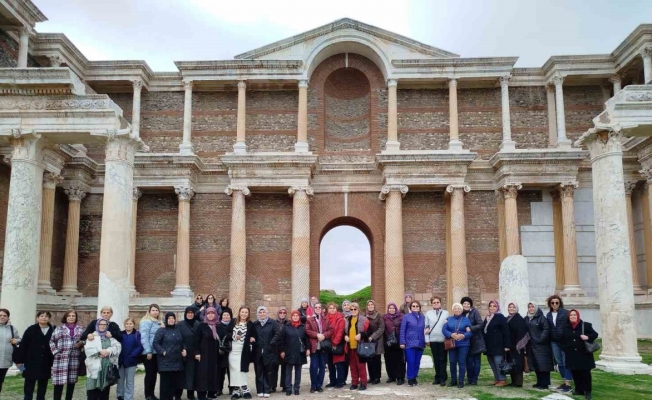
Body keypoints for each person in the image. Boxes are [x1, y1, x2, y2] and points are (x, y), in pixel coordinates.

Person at [16, 311, 54, 400]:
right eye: (41, 316)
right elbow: (23, 346)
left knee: (42, 387)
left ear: (49, 318)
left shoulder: (53, 330)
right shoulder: (31, 329)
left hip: (46, 363)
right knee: (29, 387)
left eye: (46, 316)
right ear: (37, 318)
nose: (44, 318)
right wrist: (20, 362)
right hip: (31, 362)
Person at [195, 307, 231, 400]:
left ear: (215, 314)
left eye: (212, 313)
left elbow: (226, 336)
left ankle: (211, 392)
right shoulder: (202, 326)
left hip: (215, 355)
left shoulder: (218, 326)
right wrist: (197, 353)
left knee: (213, 373)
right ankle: (202, 394)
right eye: (208, 313)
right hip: (204, 354)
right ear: (206, 315)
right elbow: (196, 340)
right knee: (203, 374)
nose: (210, 315)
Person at [562, 310, 598, 400]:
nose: (573, 316)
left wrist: (588, 337)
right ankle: (579, 389)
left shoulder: (585, 325)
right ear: (569, 317)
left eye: (574, 315)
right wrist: (565, 348)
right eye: (571, 315)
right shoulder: (566, 327)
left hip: (584, 354)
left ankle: (588, 391)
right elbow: (562, 339)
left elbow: (595, 334)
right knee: (575, 373)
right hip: (571, 355)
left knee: (585, 373)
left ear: (577, 316)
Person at [50, 310, 85, 400]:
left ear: (76, 317)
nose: (71, 317)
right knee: (58, 383)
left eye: (73, 315)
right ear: (65, 317)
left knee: (71, 383)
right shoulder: (59, 328)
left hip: (74, 358)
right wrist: (56, 352)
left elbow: (85, 340)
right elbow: (52, 341)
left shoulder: (81, 329)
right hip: (61, 358)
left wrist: (81, 342)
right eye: (69, 315)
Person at [84, 318, 121, 400]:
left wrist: (108, 351)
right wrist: (100, 352)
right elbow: (88, 349)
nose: (103, 326)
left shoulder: (109, 336)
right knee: (92, 391)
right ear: (97, 325)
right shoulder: (92, 336)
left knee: (105, 391)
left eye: (105, 324)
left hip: (106, 366)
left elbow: (117, 347)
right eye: (101, 324)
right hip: (94, 367)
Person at [153, 312, 187, 400]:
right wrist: (163, 351)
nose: (171, 320)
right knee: (165, 385)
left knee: (174, 384)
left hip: (177, 361)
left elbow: (182, 342)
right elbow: (156, 343)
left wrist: (184, 349)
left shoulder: (178, 330)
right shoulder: (161, 330)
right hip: (165, 361)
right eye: (169, 318)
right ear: (166, 320)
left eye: (173, 318)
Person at [252, 306, 282, 397]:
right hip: (258, 352)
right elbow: (252, 334)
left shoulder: (272, 323)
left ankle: (267, 389)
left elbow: (278, 333)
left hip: (269, 351)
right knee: (259, 371)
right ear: (258, 314)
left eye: (263, 312)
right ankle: (260, 390)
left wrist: (271, 343)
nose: (262, 314)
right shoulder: (255, 324)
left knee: (269, 371)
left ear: (266, 313)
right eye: (260, 312)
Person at [442, 303, 472, 389]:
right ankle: (453, 380)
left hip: (463, 344)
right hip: (452, 343)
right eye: (455, 308)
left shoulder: (466, 320)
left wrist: (464, 335)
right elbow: (444, 329)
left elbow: (470, 332)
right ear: (452, 310)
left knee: (461, 362)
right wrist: (451, 334)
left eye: (458, 308)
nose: (457, 310)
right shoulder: (448, 319)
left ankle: (461, 381)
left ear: (461, 310)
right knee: (452, 362)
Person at [546, 294, 572, 393]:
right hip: (554, 341)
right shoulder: (548, 315)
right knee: (559, 362)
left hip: (564, 341)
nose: (555, 304)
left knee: (566, 362)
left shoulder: (566, 313)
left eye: (557, 302)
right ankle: (564, 381)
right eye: (552, 303)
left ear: (560, 303)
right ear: (550, 304)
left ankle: (568, 384)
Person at [279, 310, 309, 396]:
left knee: (298, 371)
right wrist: (282, 350)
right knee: (288, 371)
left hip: (299, 352)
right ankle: (288, 388)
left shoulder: (303, 327)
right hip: (289, 352)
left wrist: (308, 349)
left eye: (297, 315)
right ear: (291, 317)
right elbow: (282, 340)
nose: (295, 317)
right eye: (294, 315)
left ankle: (296, 388)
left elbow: (306, 339)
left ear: (299, 317)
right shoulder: (286, 327)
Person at [525, 301, 553, 390]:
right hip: (531, 345)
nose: (531, 309)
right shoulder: (526, 318)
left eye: (532, 307)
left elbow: (546, 329)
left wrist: (540, 339)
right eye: (529, 307)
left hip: (541, 345)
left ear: (536, 308)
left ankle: (545, 383)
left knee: (543, 365)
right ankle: (539, 382)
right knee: (536, 364)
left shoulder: (541, 318)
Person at [482, 300, 511, 387]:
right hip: (489, 344)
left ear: (497, 307)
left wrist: (507, 345)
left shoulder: (500, 317)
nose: (492, 307)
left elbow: (506, 331)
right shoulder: (488, 317)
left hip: (498, 344)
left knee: (498, 362)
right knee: (492, 362)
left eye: (494, 306)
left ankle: (502, 380)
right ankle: (497, 379)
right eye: (490, 306)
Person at [229, 306, 255, 400]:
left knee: (242, 369)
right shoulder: (233, 322)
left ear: (248, 314)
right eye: (242, 312)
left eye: (246, 312)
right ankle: (236, 390)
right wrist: (233, 336)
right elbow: (226, 333)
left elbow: (253, 335)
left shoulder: (250, 324)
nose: (244, 314)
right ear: (239, 312)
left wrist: (252, 338)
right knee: (234, 370)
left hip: (243, 350)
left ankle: (244, 389)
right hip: (233, 350)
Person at [306, 303, 333, 393]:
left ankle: (319, 385)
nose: (317, 309)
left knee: (322, 366)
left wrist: (324, 335)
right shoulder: (310, 319)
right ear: (314, 309)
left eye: (319, 307)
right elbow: (307, 330)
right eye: (316, 307)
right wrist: (317, 334)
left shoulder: (326, 319)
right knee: (314, 366)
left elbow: (331, 330)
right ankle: (313, 385)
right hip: (314, 345)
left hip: (324, 345)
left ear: (322, 309)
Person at [344, 302, 370, 391]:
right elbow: (345, 332)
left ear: (358, 310)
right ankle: (354, 382)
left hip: (360, 346)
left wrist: (362, 335)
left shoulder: (364, 319)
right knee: (352, 366)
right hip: (350, 346)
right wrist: (345, 336)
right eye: (351, 309)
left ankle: (363, 382)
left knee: (361, 366)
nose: (353, 311)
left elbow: (369, 331)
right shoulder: (348, 319)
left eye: (355, 309)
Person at [140, 303, 164, 400]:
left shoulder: (159, 322)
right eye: (153, 310)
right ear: (149, 311)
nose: (155, 312)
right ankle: (148, 395)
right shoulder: (146, 322)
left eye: (156, 310)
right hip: (149, 352)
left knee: (154, 374)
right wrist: (148, 351)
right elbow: (144, 337)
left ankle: (152, 394)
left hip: (156, 352)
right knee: (149, 374)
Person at [400, 300, 426, 387]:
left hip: (420, 343)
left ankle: (415, 376)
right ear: (410, 308)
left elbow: (426, 328)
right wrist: (402, 342)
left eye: (417, 306)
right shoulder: (406, 317)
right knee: (411, 361)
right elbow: (402, 330)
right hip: (409, 343)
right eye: (413, 306)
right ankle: (410, 378)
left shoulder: (422, 317)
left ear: (419, 308)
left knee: (417, 362)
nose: (415, 307)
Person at [117, 317, 143, 400]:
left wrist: (132, 355)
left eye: (130, 324)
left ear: (133, 325)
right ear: (124, 325)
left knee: (130, 381)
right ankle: (120, 395)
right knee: (120, 380)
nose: (128, 325)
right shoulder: (120, 334)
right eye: (127, 324)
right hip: (121, 360)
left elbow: (140, 346)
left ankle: (128, 397)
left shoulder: (137, 334)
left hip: (131, 360)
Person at [461, 296, 485, 386]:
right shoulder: (461, 313)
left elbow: (480, 324)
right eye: (464, 304)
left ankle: (475, 379)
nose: (466, 305)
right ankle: (469, 378)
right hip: (466, 341)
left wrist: (471, 328)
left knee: (476, 361)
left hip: (476, 340)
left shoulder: (475, 312)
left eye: (468, 304)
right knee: (469, 361)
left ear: (470, 305)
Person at [425, 296, 449, 386]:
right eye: (434, 302)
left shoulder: (446, 313)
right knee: (436, 359)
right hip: (433, 339)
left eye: (437, 302)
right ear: (432, 304)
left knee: (443, 359)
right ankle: (437, 377)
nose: (436, 304)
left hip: (442, 339)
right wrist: (427, 339)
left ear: (440, 303)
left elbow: (447, 325)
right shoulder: (428, 313)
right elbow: (426, 327)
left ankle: (443, 378)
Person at [177, 307, 200, 400]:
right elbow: (178, 338)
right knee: (181, 375)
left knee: (192, 375)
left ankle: (190, 394)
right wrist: (183, 348)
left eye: (192, 313)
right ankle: (177, 394)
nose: (190, 314)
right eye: (188, 313)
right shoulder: (180, 325)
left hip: (193, 353)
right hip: (183, 353)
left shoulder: (197, 324)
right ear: (185, 314)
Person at [506, 302, 529, 387]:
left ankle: (518, 382)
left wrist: (517, 345)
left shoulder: (518, 319)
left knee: (518, 363)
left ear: (516, 308)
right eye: (510, 307)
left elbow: (521, 333)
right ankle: (513, 381)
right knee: (512, 363)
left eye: (513, 307)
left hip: (517, 346)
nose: (511, 309)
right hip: (510, 345)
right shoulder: (508, 318)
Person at [383, 302, 405, 385]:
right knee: (389, 360)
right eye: (390, 308)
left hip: (398, 341)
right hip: (388, 341)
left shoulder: (401, 317)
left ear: (395, 309)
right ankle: (391, 376)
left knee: (399, 360)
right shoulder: (385, 317)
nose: (391, 309)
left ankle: (400, 377)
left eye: (393, 308)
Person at [325, 302, 346, 388]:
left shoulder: (340, 319)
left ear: (336, 309)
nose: (332, 309)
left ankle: (340, 381)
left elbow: (340, 332)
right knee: (330, 364)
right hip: (328, 344)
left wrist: (335, 343)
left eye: (334, 308)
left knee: (339, 364)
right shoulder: (325, 318)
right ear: (328, 310)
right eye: (330, 308)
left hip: (338, 343)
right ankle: (332, 381)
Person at [363, 300, 384, 385]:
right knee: (369, 359)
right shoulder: (365, 316)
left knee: (376, 360)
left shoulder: (379, 316)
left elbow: (381, 328)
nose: (370, 306)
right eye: (369, 304)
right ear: (367, 306)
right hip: (368, 340)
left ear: (374, 306)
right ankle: (371, 377)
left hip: (377, 340)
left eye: (372, 304)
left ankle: (377, 377)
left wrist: (373, 336)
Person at [0, 308, 20, 394]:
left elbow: (19, 338)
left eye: (5, 315)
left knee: (0, 382)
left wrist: (16, 341)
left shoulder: (12, 329)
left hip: (5, 360)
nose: (2, 317)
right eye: (0, 315)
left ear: (8, 317)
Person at [217, 310, 233, 396]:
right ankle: (219, 389)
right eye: (224, 315)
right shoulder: (218, 326)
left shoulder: (234, 325)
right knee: (220, 371)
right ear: (221, 317)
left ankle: (232, 388)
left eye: (228, 315)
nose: (226, 317)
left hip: (231, 351)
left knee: (231, 371)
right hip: (222, 351)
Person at [274, 307, 288, 393]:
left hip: (285, 348)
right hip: (275, 348)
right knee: (274, 368)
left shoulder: (288, 323)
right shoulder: (274, 323)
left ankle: (284, 385)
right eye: (280, 312)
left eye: (284, 313)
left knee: (285, 368)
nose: (282, 314)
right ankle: (273, 386)